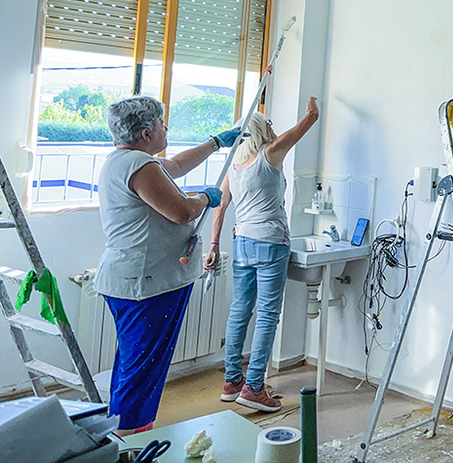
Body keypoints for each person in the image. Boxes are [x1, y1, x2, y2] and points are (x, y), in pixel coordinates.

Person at [95, 96, 238, 434]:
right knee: (142, 370)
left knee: (135, 365)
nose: (166, 128)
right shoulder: (139, 167)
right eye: (161, 124)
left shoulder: (130, 161)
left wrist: (216, 143)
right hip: (145, 284)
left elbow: (173, 166)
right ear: (146, 133)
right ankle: (131, 438)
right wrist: (206, 198)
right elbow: (182, 212)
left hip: (137, 280)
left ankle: (124, 428)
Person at [205, 97, 320, 412]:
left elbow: (220, 206)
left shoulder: (235, 166)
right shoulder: (270, 153)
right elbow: (308, 121)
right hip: (270, 243)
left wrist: (213, 245)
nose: (273, 127)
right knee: (268, 315)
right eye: (269, 123)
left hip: (241, 242)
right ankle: (255, 387)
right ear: (260, 129)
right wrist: (312, 106)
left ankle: (232, 382)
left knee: (240, 311)